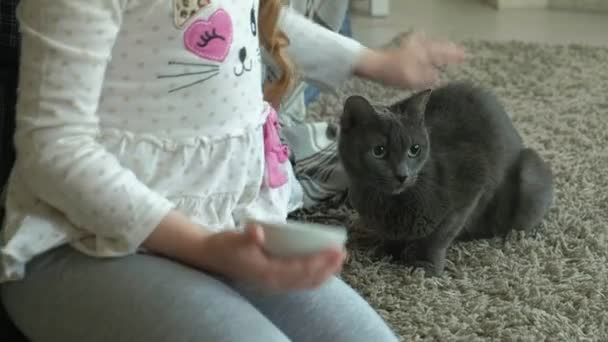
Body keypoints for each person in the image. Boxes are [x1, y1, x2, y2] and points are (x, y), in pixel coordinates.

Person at [0, 0, 466, 341]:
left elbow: (250, 19)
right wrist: (204, 248)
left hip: (220, 229)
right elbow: (54, 150)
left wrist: (375, 62)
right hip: (82, 242)